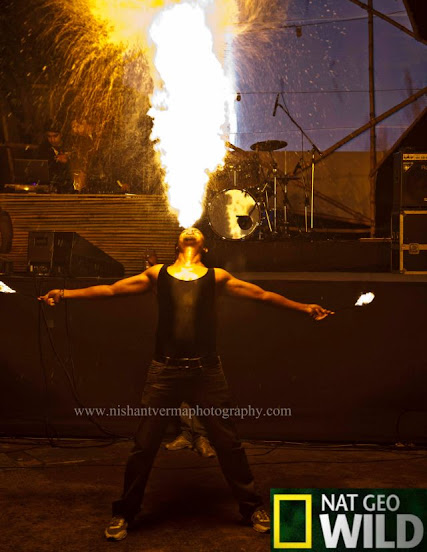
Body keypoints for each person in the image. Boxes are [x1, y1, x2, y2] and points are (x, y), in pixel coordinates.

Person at [39, 227, 333, 541]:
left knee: (229, 444)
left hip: (206, 372)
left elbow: (261, 295)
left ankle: (252, 507)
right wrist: (65, 294)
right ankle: (124, 512)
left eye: (197, 231)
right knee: (143, 446)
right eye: (186, 231)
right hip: (164, 372)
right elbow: (112, 291)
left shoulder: (217, 277)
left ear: (205, 248)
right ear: (176, 244)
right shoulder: (157, 274)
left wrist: (304, 307)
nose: (191, 231)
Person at [38, 122, 73, 193]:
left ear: (61, 134)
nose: (52, 139)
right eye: (49, 136)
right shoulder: (44, 149)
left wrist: (67, 161)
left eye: (55, 136)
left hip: (67, 188)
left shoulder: (70, 146)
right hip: (50, 188)